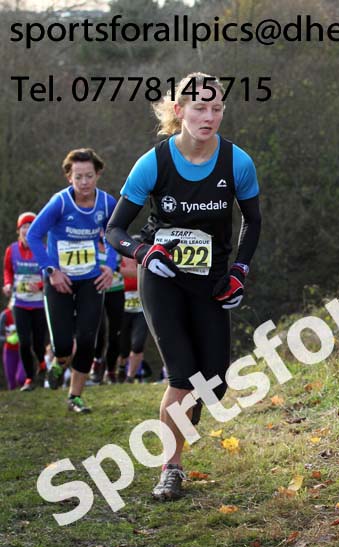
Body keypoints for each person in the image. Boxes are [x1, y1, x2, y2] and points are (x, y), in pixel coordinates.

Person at [106, 72, 261, 501]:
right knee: (182, 377)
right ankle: (170, 469)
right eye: (199, 107)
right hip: (163, 281)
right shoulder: (153, 162)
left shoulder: (237, 162)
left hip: (210, 282)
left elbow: (253, 221)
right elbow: (115, 228)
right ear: (180, 111)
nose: (208, 116)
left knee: (213, 383)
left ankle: (180, 426)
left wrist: (240, 271)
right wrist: (143, 253)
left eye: (216, 108)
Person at [27, 149, 118, 412]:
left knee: (88, 339)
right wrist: (51, 270)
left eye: (89, 176)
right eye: (78, 177)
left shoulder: (106, 203)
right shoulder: (60, 203)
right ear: (69, 177)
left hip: (91, 279)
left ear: (97, 174)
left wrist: (109, 267)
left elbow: (113, 234)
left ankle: (75, 397)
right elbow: (34, 235)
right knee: (64, 343)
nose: (85, 182)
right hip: (60, 282)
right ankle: (59, 362)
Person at [3, 211, 48, 391]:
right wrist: (7, 284)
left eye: (31, 226)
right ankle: (29, 378)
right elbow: (8, 270)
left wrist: (41, 285)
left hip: (38, 303)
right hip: (20, 303)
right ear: (19, 230)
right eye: (24, 227)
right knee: (24, 342)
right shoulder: (11, 250)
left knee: (38, 342)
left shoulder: (43, 249)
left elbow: (51, 271)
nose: (27, 230)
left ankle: (43, 364)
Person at [92, 237, 125, 384]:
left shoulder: (119, 243)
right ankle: (97, 361)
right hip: (96, 290)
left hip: (116, 290)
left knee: (115, 334)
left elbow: (130, 268)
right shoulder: (90, 243)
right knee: (98, 331)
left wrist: (118, 269)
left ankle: (110, 370)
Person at [117, 252, 148, 383]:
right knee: (123, 348)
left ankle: (130, 377)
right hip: (123, 311)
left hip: (141, 311)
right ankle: (122, 367)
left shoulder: (144, 265)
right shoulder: (117, 263)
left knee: (137, 344)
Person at [0, 303, 23, 390]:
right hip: (9, 350)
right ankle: (16, 401)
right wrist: (7, 339)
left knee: (20, 378)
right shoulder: (5, 315)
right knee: (11, 381)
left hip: (23, 350)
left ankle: (25, 394)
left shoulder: (25, 314)